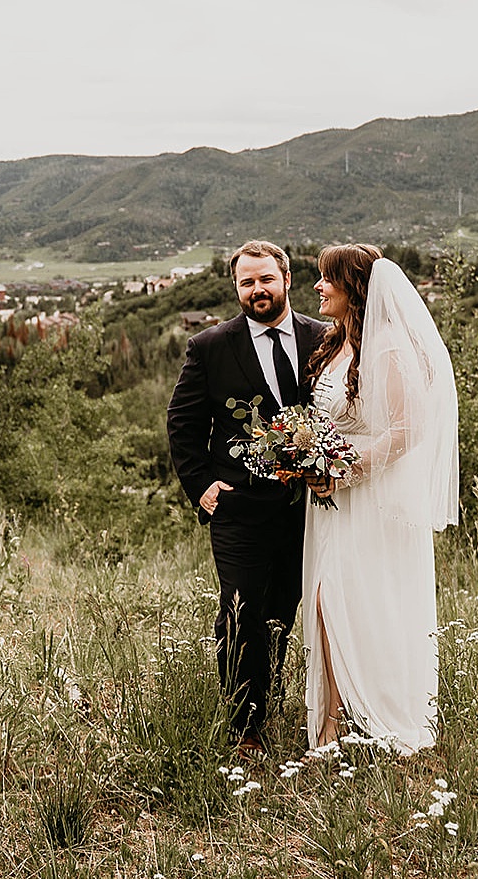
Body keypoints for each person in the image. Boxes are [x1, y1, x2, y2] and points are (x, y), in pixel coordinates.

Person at [167, 239, 331, 750]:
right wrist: (201, 487)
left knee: (283, 609)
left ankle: (268, 696)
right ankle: (245, 730)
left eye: (265, 279)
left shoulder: (324, 337)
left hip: (309, 509)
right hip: (237, 507)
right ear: (236, 287)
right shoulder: (211, 346)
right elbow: (182, 423)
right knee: (241, 610)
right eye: (246, 282)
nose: (256, 290)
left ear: (286, 279)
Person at [302, 244, 459, 754]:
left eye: (329, 280)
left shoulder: (388, 346)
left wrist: (339, 469)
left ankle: (368, 714)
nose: (320, 288)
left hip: (369, 500)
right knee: (324, 601)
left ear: (355, 288)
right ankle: (332, 719)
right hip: (331, 503)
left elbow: (405, 432)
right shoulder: (335, 343)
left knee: (356, 603)